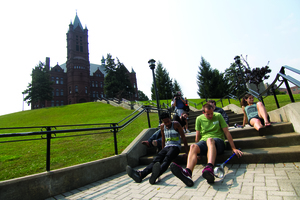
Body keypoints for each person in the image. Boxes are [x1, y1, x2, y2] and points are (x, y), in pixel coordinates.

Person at [170, 103, 243, 186]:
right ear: (203, 113)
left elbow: (227, 132)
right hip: (204, 141)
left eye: (212, 113)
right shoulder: (199, 119)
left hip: (218, 142)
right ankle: (188, 172)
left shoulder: (218, 115)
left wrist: (233, 148)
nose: (211, 115)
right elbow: (197, 136)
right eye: (208, 114)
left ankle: (209, 167)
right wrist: (197, 151)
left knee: (209, 140)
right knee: (193, 146)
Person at [126, 112, 189, 184]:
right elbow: (163, 139)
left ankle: (156, 174)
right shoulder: (162, 126)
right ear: (162, 122)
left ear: (170, 119)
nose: (167, 124)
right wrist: (162, 150)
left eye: (168, 121)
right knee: (156, 160)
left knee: (167, 159)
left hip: (175, 147)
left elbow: (183, 138)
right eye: (165, 122)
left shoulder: (176, 124)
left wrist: (187, 152)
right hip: (167, 147)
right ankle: (141, 174)